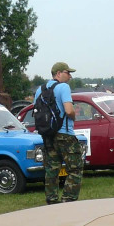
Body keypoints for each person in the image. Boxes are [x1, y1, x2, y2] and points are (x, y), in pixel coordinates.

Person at [34, 62, 83, 203]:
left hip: (47, 135)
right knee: (75, 169)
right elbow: (69, 110)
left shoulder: (39, 90)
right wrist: (74, 116)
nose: (70, 76)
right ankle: (68, 200)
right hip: (65, 134)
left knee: (51, 170)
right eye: (68, 73)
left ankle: (52, 201)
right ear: (58, 73)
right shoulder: (64, 87)